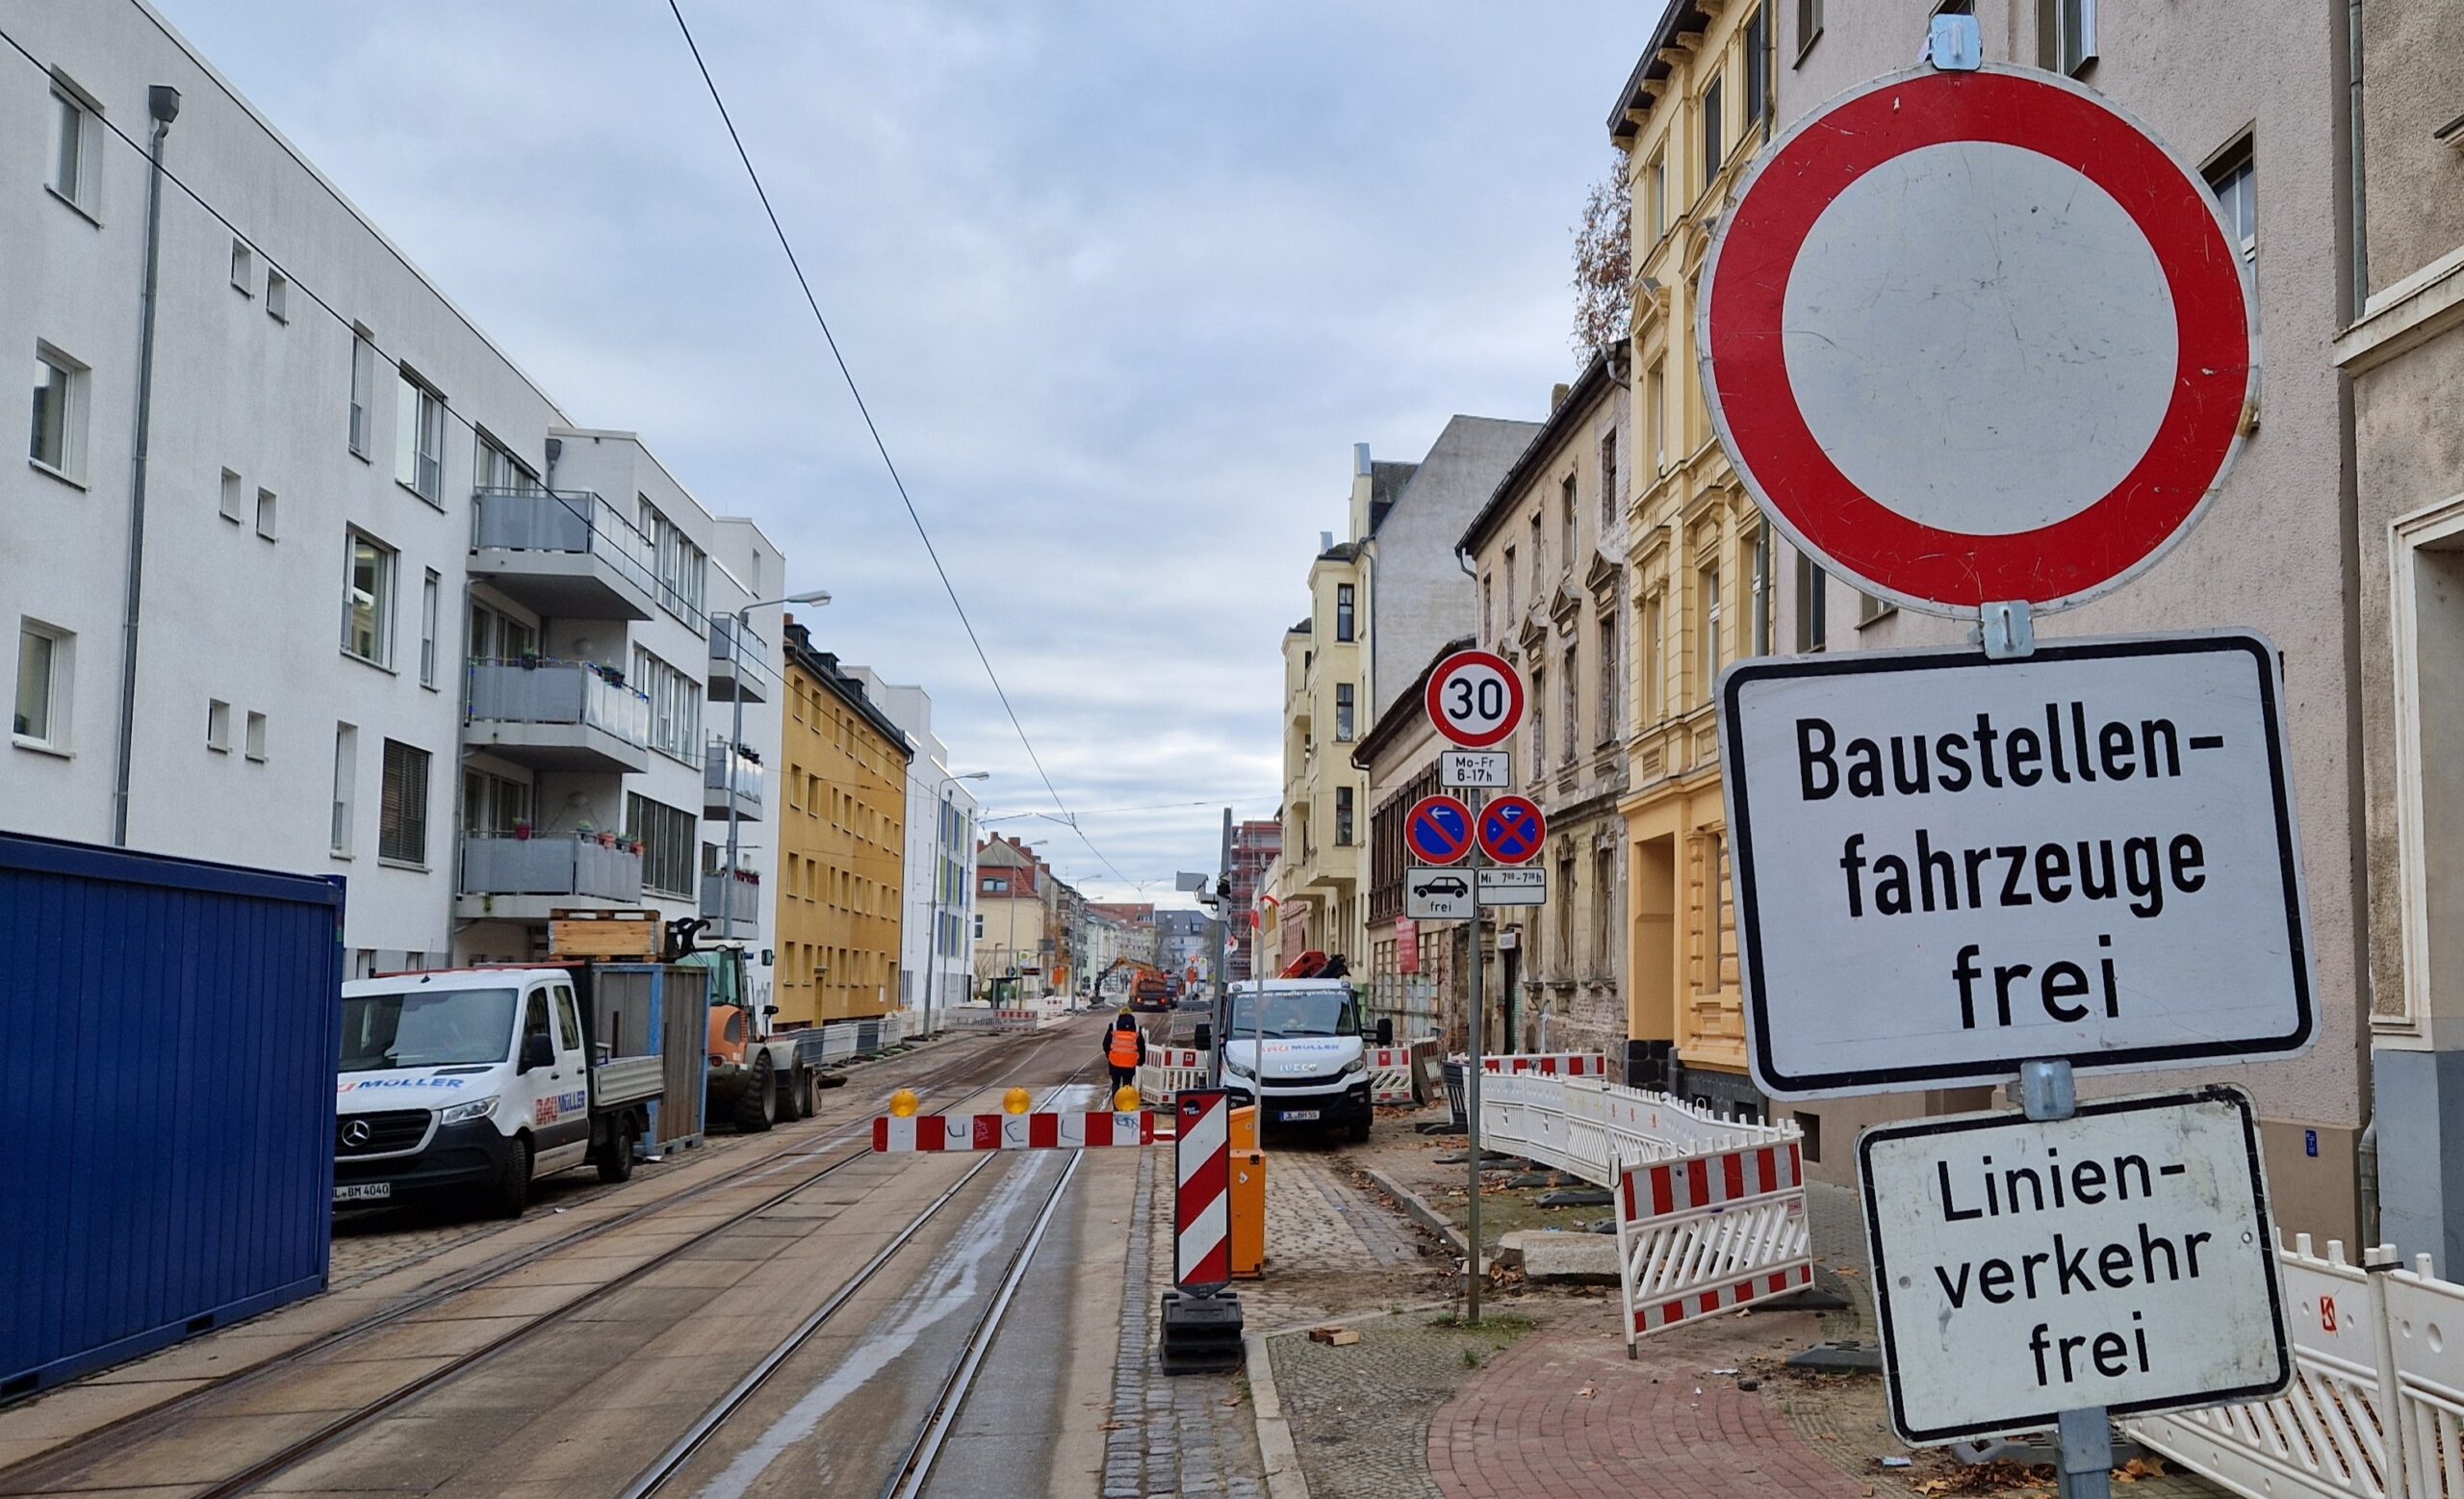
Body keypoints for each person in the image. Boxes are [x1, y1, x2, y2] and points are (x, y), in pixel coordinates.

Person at [1105, 1008, 1142, 1092]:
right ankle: (1125, 1103)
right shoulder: (1137, 1029)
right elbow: (1141, 1047)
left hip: (1115, 1061)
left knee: (1115, 1084)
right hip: (1130, 1062)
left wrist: (1109, 1055)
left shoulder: (1113, 1027)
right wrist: (1140, 1061)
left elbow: (1105, 1044)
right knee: (1127, 1085)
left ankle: (1116, 1104)